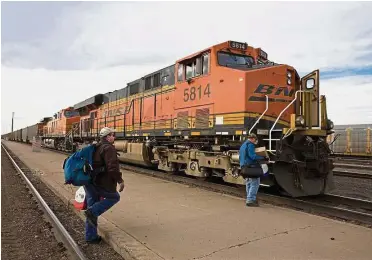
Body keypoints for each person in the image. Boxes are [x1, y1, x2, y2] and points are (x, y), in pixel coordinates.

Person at [83, 127, 125, 243]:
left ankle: (91, 237)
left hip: (90, 183)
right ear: (107, 136)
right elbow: (112, 168)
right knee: (114, 197)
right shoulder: (108, 148)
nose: (114, 137)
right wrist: (120, 180)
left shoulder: (96, 146)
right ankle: (92, 212)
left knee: (92, 207)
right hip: (101, 183)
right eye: (112, 135)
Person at [239, 133, 265, 207]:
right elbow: (252, 156)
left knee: (249, 182)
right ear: (253, 139)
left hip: (244, 166)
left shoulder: (243, 145)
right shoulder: (250, 145)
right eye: (255, 140)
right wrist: (262, 158)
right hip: (250, 166)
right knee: (255, 182)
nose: (255, 141)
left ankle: (249, 198)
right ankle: (250, 200)